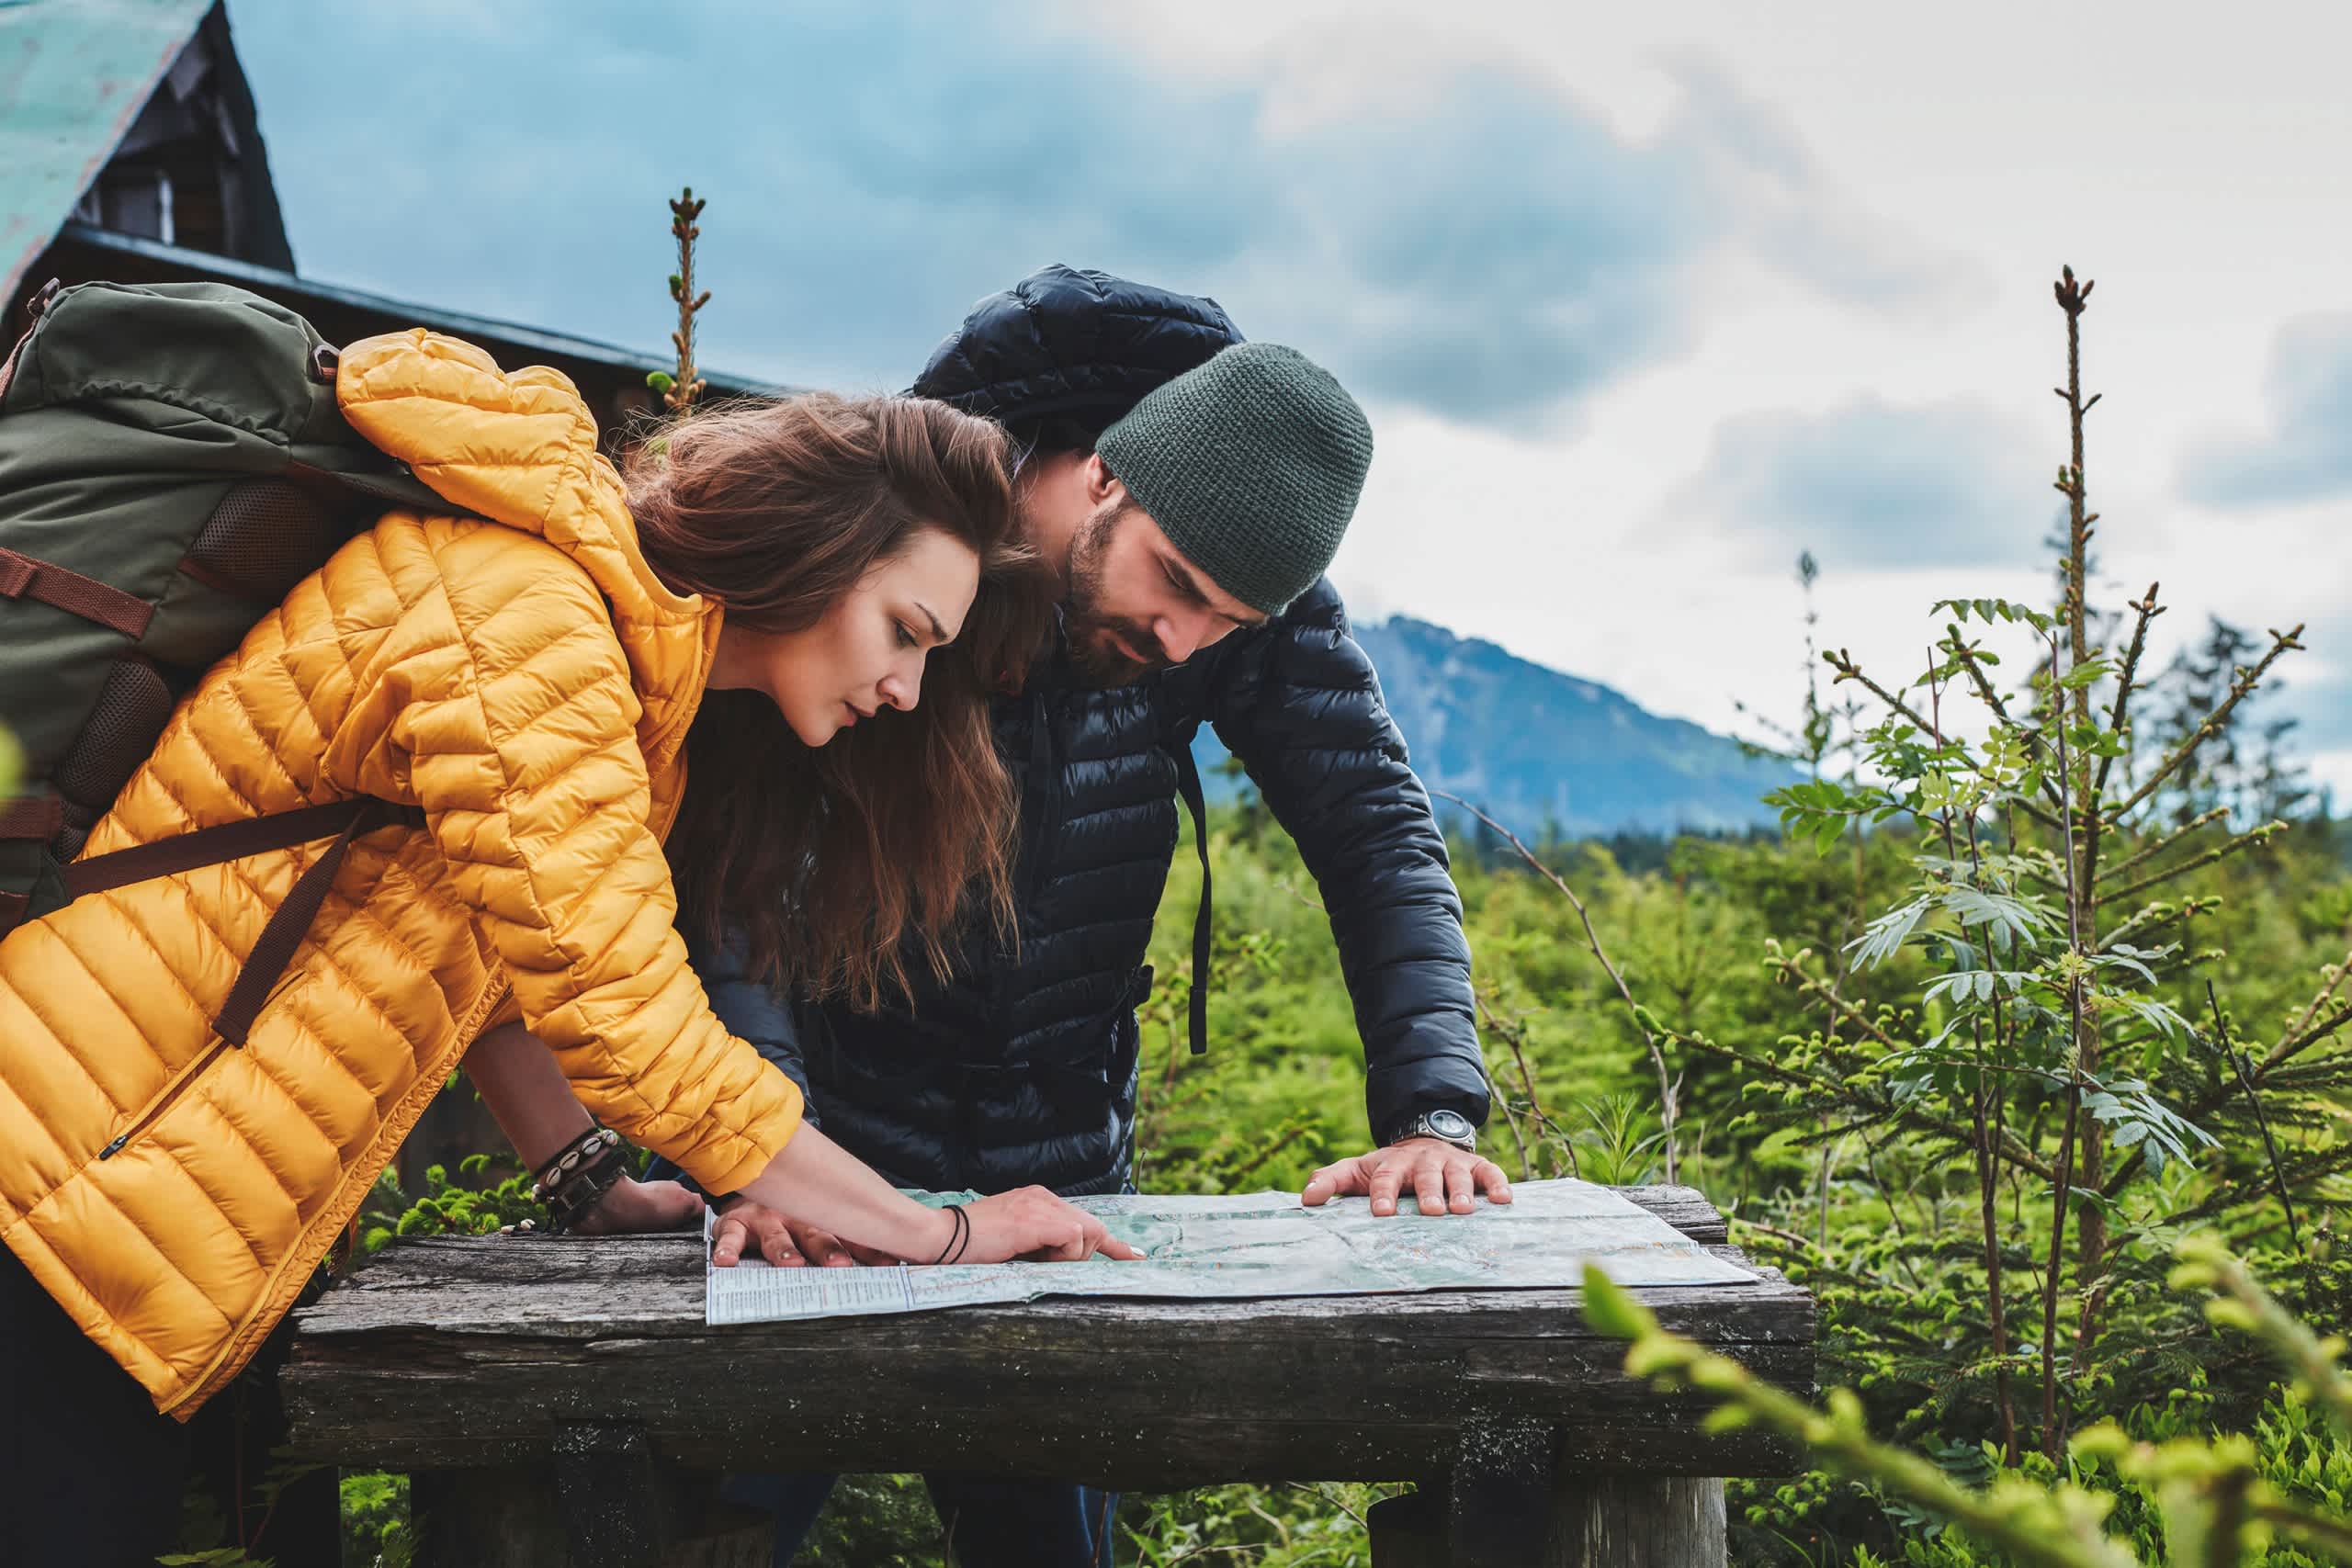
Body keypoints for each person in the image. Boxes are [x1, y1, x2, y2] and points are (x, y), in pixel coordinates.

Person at [0, 328, 1135, 1568]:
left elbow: (493, 965)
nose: (907, 690)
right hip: (53, 1191)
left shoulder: (615, 672)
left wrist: (590, 1180)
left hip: (149, 1213)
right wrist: (938, 1236)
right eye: (906, 630)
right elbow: (624, 1015)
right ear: (815, 551)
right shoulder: (531, 623)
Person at [696, 272, 1514, 1566]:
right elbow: (734, 855)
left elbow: (1376, 828)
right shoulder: (899, 534)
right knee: (707, 1529)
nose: (1186, 642)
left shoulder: (1231, 576)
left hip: (1066, 1175)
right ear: (1099, 478)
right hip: (820, 1167)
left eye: (1227, 624)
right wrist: (766, 1139)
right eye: (1171, 584)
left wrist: (1430, 1111)